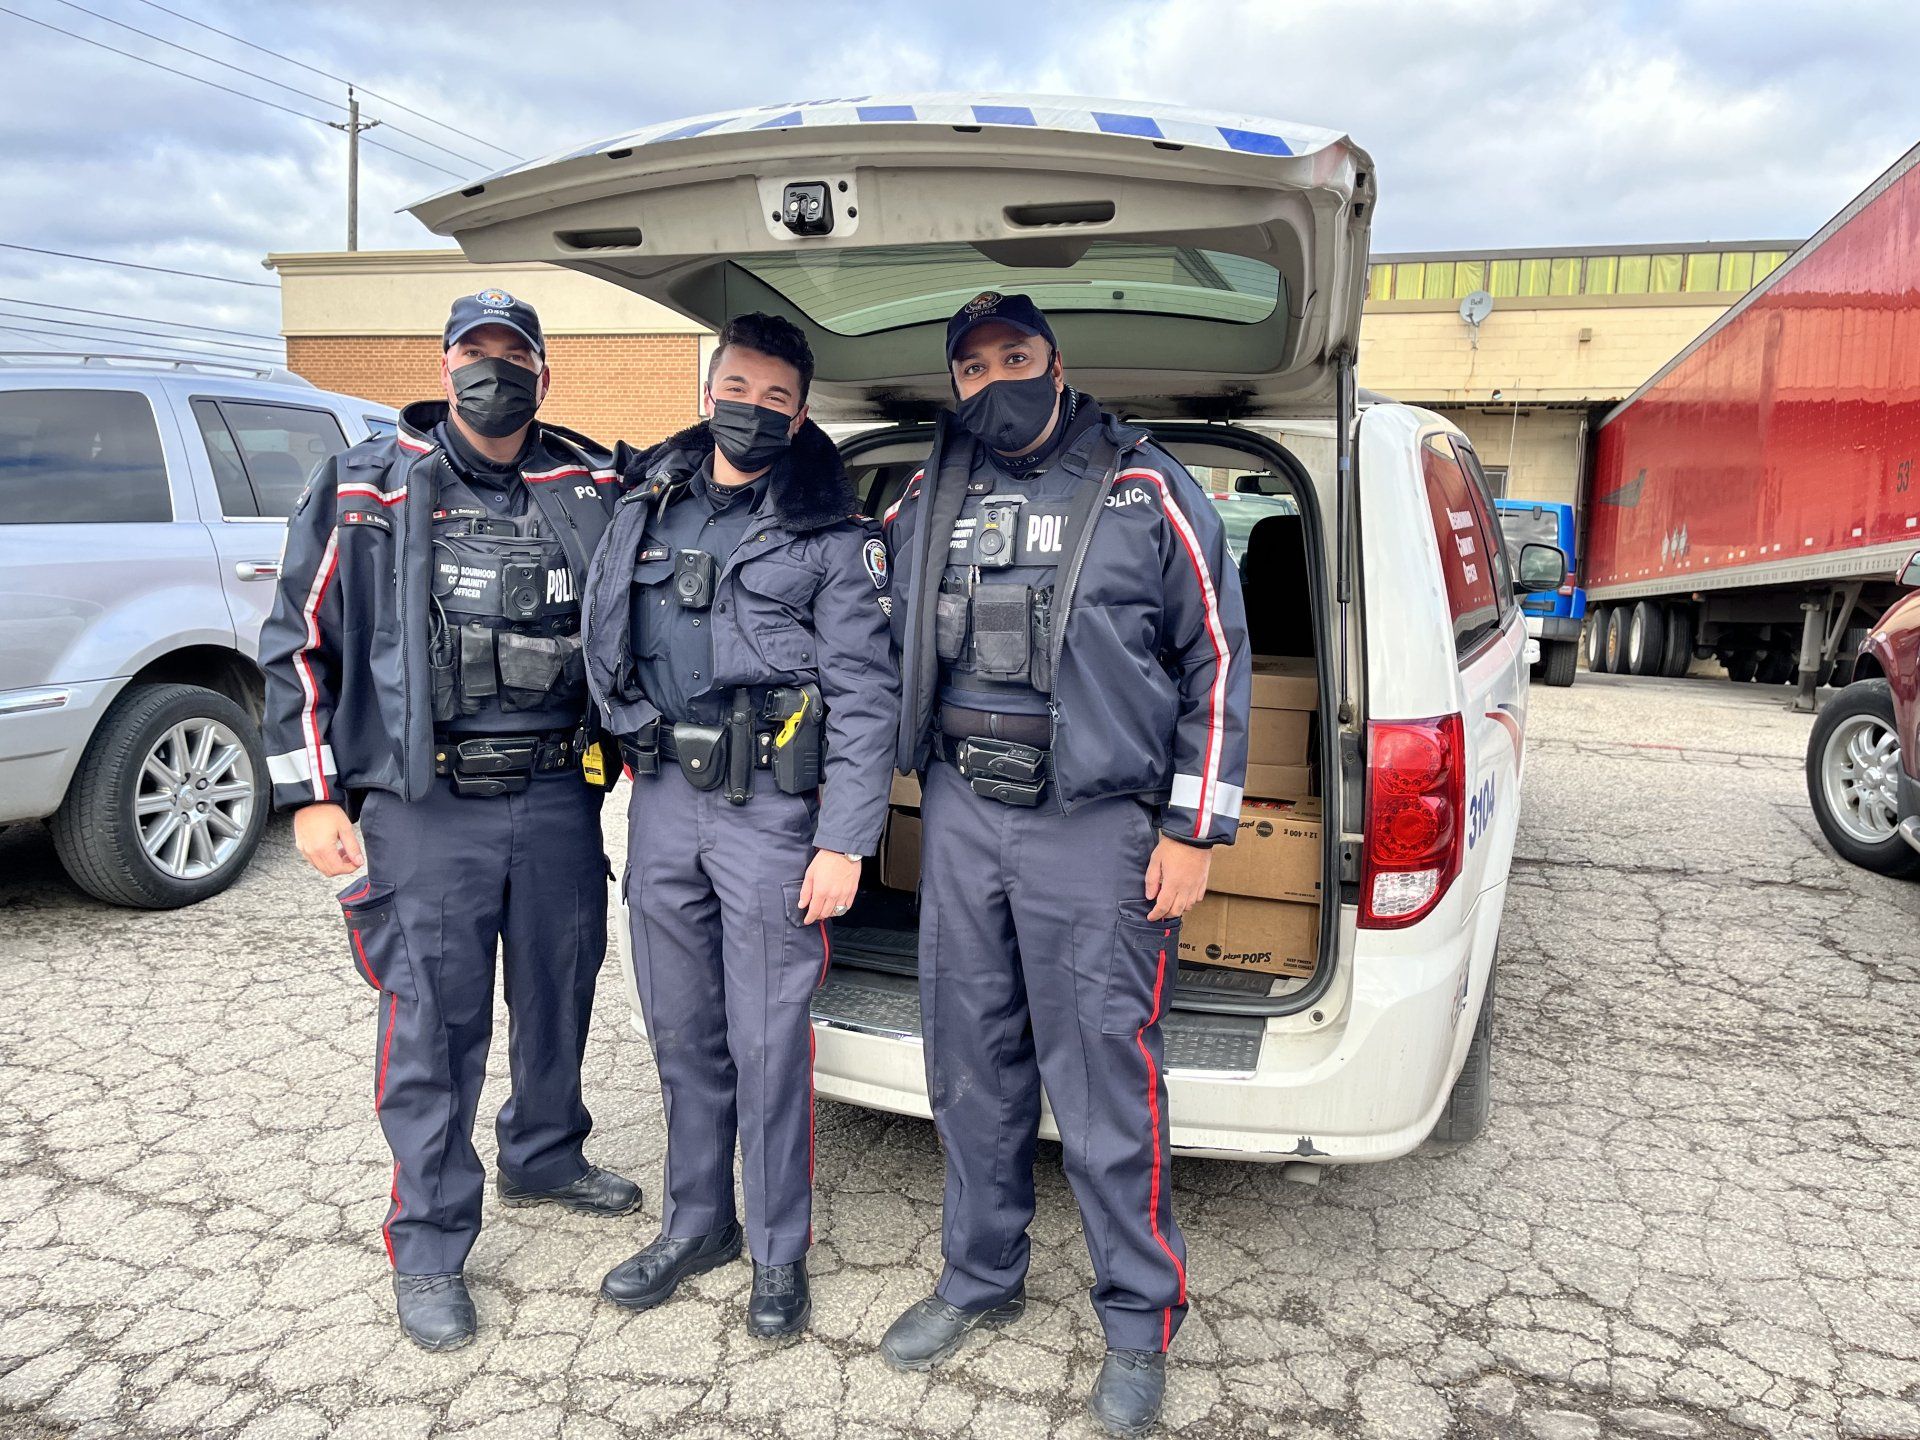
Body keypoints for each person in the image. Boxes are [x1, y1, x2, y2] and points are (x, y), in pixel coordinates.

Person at [877, 292, 1251, 1435]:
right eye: (973, 367)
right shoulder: (926, 494)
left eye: (1016, 357)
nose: (995, 381)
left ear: (1056, 361)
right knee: (969, 1061)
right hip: (961, 814)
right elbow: (859, 610)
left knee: (1103, 1084)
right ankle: (979, 1276)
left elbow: (1217, 657)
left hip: (1093, 826)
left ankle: (1138, 1321)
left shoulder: (1145, 487)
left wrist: (1193, 829)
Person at [260, 291, 640, 1352]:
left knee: (560, 987)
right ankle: (428, 1240)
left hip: (560, 794)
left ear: (544, 375)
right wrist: (313, 795)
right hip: (426, 806)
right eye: (476, 352)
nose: (494, 371)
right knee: (433, 1022)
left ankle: (545, 1153)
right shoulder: (365, 486)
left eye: (515, 354)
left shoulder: (590, 485)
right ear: (444, 366)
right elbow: (296, 641)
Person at [580, 313, 898, 1338]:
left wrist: (843, 842)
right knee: (681, 1031)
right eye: (739, 388)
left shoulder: (832, 534)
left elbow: (866, 697)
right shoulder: (649, 503)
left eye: (777, 399)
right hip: (664, 799)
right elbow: (604, 628)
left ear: (800, 416)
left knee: (767, 1044)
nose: (752, 410)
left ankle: (777, 1249)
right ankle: (696, 1223)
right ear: (709, 389)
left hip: (770, 812)